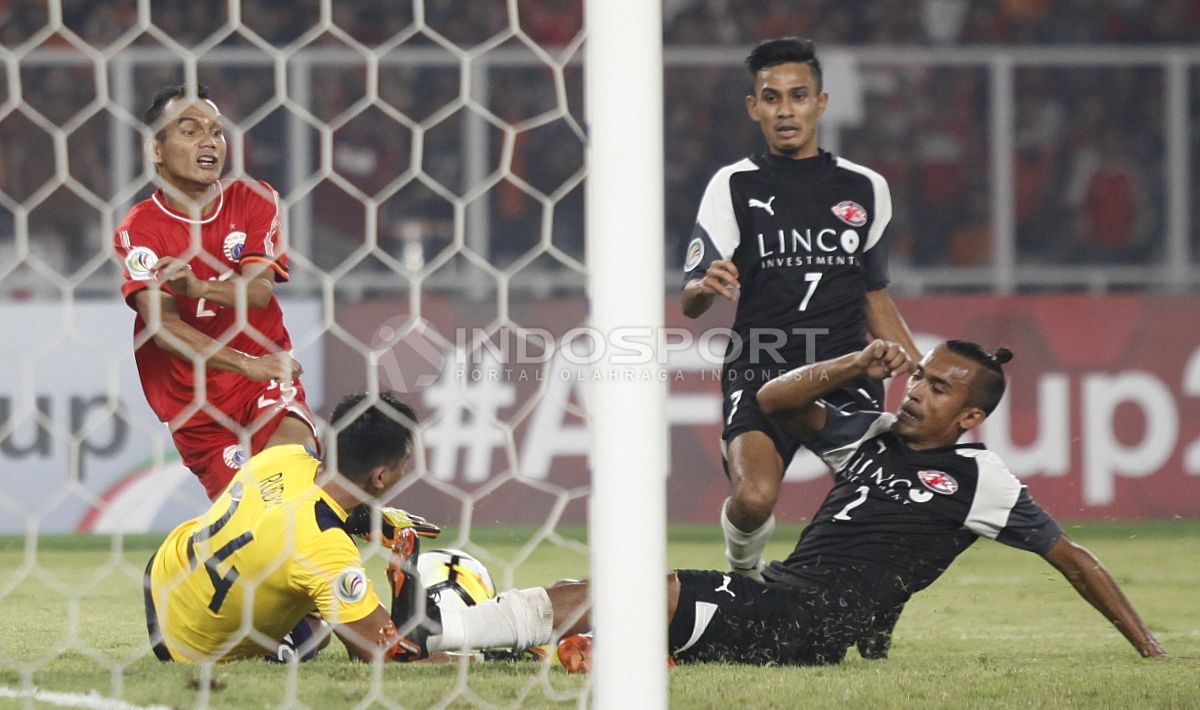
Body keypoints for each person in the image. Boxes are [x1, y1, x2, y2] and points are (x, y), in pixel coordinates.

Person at [389, 341, 1166, 667]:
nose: (916, 389)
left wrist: (1151, 653)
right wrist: (859, 360)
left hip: (818, 620)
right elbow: (772, 398)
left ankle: (438, 632)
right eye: (918, 376)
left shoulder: (981, 480)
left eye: (937, 387)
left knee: (634, 592)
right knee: (621, 601)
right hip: (793, 598)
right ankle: (465, 632)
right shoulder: (873, 434)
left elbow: (1074, 559)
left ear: (970, 417)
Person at [680, 37, 920, 655]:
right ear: (752, 108)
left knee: (894, 506)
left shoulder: (866, 188)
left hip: (844, 372)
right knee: (755, 497)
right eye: (771, 98)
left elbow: (874, 294)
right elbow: (692, 298)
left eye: (798, 96)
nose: (786, 110)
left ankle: (873, 616)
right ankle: (744, 582)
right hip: (760, 366)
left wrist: (919, 372)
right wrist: (705, 286)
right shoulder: (732, 184)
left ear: (821, 102)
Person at [112, 84, 316, 500]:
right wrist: (242, 364)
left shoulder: (255, 199)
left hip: (263, 373)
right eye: (189, 131)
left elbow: (258, 292)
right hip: (194, 401)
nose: (209, 142)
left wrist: (200, 288)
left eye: (217, 132)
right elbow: (164, 327)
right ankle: (190, 560)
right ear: (156, 149)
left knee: (295, 480)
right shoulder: (140, 230)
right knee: (250, 515)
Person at [144, 391, 442, 663]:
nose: (405, 471)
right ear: (379, 477)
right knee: (320, 626)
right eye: (403, 463)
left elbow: (301, 506)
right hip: (189, 645)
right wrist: (478, 657)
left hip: (166, 570)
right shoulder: (326, 548)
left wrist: (363, 515)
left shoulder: (284, 453)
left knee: (315, 602)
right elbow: (388, 654)